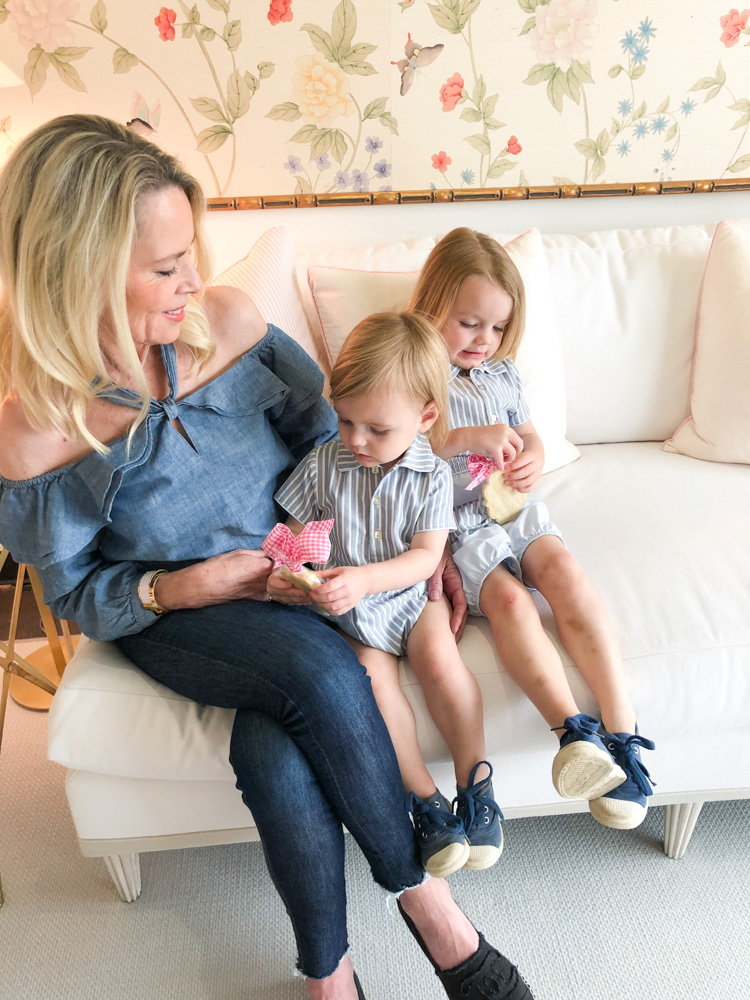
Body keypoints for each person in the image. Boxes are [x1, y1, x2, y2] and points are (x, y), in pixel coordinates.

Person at [0, 117, 534, 1000]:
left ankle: (328, 977)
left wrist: (402, 545)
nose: (195, 282)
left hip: (305, 570)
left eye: (190, 255)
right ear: (78, 268)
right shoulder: (28, 435)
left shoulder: (229, 323)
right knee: (324, 677)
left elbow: (330, 441)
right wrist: (182, 587)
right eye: (167, 268)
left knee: (273, 744)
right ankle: (439, 918)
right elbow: (79, 595)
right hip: (182, 615)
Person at [409, 227, 655, 830]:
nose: (483, 340)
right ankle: (575, 733)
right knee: (514, 604)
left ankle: (623, 732)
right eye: (469, 323)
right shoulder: (411, 367)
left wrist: (536, 453)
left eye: (496, 328)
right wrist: (465, 440)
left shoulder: (502, 373)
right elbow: (399, 453)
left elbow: (530, 430)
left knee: (566, 572)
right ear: (432, 305)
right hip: (460, 525)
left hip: (513, 505)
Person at [272, 313, 503, 879]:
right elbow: (291, 528)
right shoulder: (328, 462)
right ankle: (426, 805)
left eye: (377, 429)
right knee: (374, 689)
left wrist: (366, 579)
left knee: (440, 663)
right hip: (352, 616)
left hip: (407, 600)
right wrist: (295, 571)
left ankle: (476, 783)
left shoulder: (430, 475)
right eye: (346, 419)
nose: (357, 440)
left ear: (426, 418)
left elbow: (427, 558)